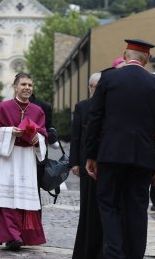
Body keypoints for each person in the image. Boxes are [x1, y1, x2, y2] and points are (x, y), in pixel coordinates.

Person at [84, 39, 155, 258]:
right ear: (147, 59)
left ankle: (114, 254)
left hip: (111, 155)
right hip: (142, 158)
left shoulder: (109, 78)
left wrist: (91, 154)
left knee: (109, 205)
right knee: (137, 209)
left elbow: (95, 118)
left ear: (125, 55)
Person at [0, 73, 47, 251]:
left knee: (23, 199)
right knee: (6, 199)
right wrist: (10, 132)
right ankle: (12, 236)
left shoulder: (37, 111)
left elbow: (43, 135)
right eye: (23, 84)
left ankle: (20, 236)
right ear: (15, 87)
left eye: (30, 85)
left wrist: (38, 140)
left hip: (26, 158)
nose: (27, 88)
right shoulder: (2, 107)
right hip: (7, 158)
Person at [69, 72, 102, 259]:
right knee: (87, 207)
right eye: (93, 86)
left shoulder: (109, 107)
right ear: (89, 88)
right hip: (84, 164)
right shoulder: (82, 107)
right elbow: (75, 136)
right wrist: (74, 162)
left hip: (103, 165)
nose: (96, 89)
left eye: (99, 86)